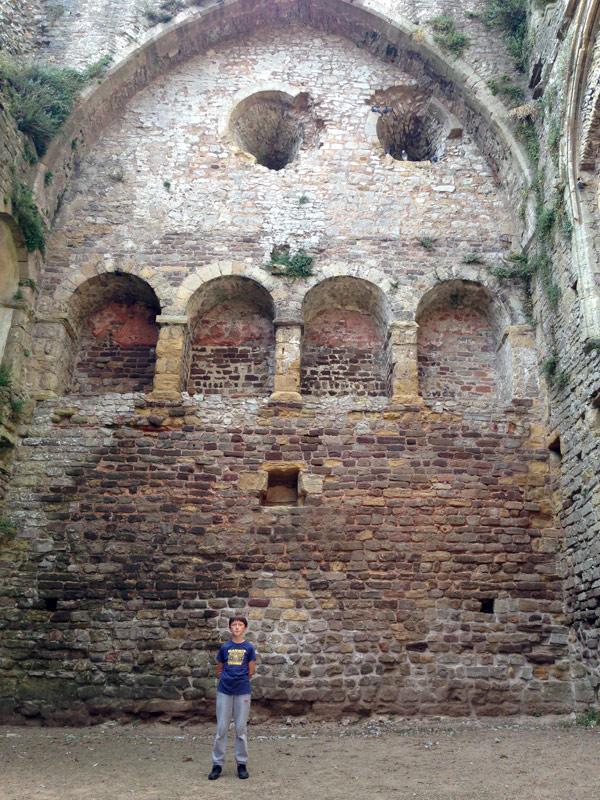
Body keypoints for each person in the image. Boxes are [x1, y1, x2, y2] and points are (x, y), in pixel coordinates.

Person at [208, 615, 256, 781]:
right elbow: (220, 669)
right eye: (234, 625)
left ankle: (241, 763)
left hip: (242, 691)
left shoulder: (249, 648)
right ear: (230, 628)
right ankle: (217, 764)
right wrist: (228, 680)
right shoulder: (225, 648)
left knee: (240, 729)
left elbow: (251, 671)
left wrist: (240, 680)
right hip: (224, 691)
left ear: (245, 628)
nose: (237, 627)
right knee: (222, 729)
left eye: (240, 625)